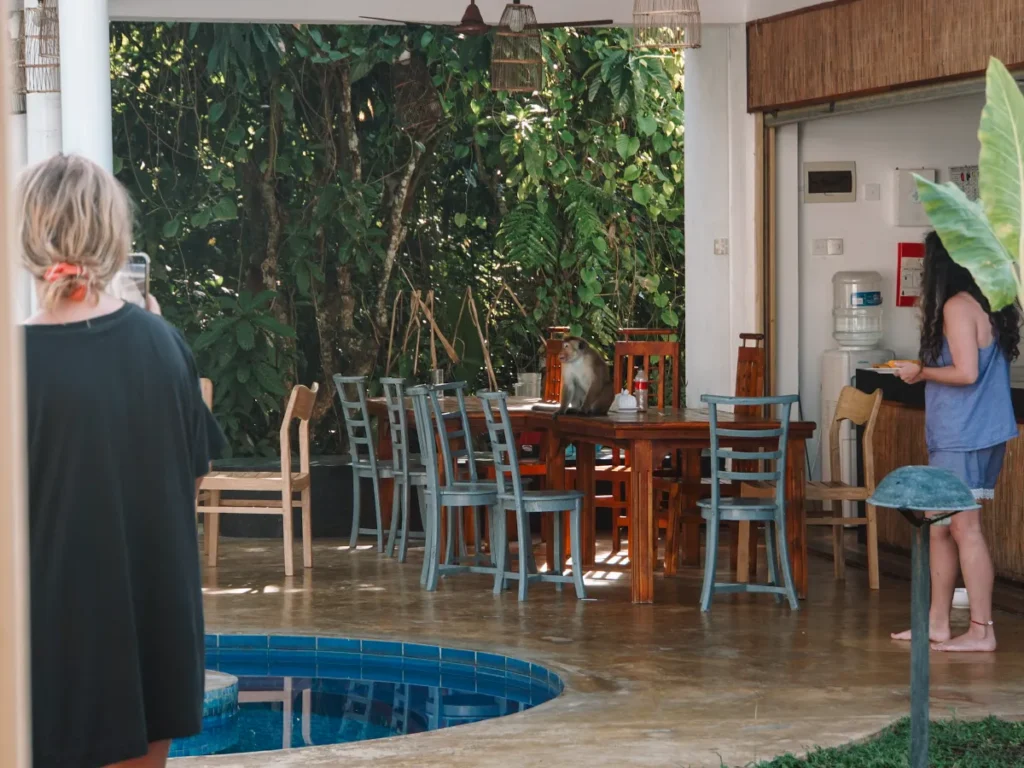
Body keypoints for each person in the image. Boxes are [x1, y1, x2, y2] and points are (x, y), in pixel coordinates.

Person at [20, 154, 224, 767]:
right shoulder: (164, 347)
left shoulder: (13, 365)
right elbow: (186, 485)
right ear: (114, 237)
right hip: (150, 632)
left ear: (30, 237)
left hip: (49, 645)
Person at [891, 231, 1019, 653]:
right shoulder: (980, 303)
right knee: (941, 529)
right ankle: (938, 624)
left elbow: (965, 373)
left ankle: (982, 630)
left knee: (964, 528)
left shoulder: (956, 307)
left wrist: (920, 371)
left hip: (965, 435)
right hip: (965, 432)